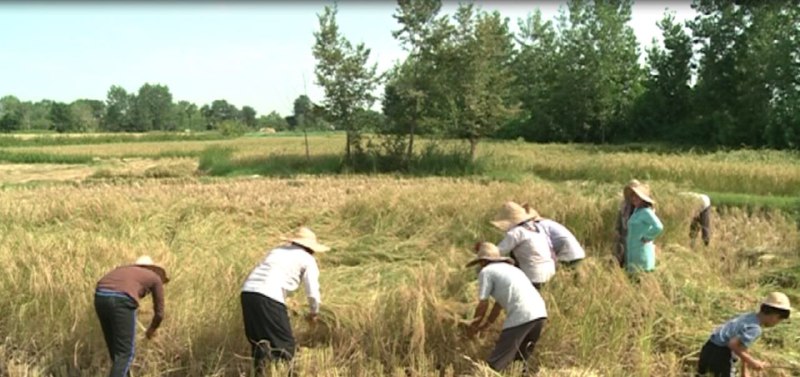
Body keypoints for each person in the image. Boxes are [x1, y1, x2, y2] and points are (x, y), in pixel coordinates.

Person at [240, 226, 329, 376]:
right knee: (285, 346)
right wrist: (314, 312)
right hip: (268, 296)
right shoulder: (308, 259)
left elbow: (270, 275)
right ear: (311, 248)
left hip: (248, 294)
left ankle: (260, 373)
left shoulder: (278, 251)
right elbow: (313, 293)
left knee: (260, 344)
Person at [466, 242, 548, 373]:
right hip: (540, 314)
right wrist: (486, 325)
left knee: (494, 364)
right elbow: (498, 306)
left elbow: (483, 304)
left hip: (522, 316)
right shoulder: (513, 270)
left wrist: (473, 326)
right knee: (520, 362)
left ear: (482, 262)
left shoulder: (486, 272)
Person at [94, 255, 169, 377]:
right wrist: (151, 330)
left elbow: (106, 284)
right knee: (125, 354)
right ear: (154, 270)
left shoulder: (123, 271)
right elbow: (160, 313)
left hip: (100, 297)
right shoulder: (155, 278)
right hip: (122, 300)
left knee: (117, 354)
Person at [697, 292, 792, 377]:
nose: (777, 323)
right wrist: (752, 362)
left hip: (708, 348)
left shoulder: (749, 317)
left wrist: (744, 371)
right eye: (779, 320)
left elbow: (743, 347)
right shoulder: (755, 328)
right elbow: (733, 344)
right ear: (774, 316)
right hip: (722, 354)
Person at [492, 201, 556, 290]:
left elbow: (498, 252)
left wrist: (484, 250)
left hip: (533, 276)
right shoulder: (538, 228)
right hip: (550, 273)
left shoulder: (516, 232)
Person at [625, 183, 664, 275]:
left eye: (637, 196)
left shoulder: (647, 212)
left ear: (643, 199)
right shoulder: (636, 211)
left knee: (641, 278)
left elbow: (658, 226)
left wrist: (647, 237)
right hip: (634, 252)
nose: (634, 199)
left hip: (642, 252)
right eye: (633, 196)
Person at [615, 179, 641, 268]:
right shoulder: (624, 206)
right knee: (622, 260)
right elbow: (619, 221)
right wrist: (617, 232)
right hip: (624, 236)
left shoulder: (643, 207)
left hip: (637, 238)